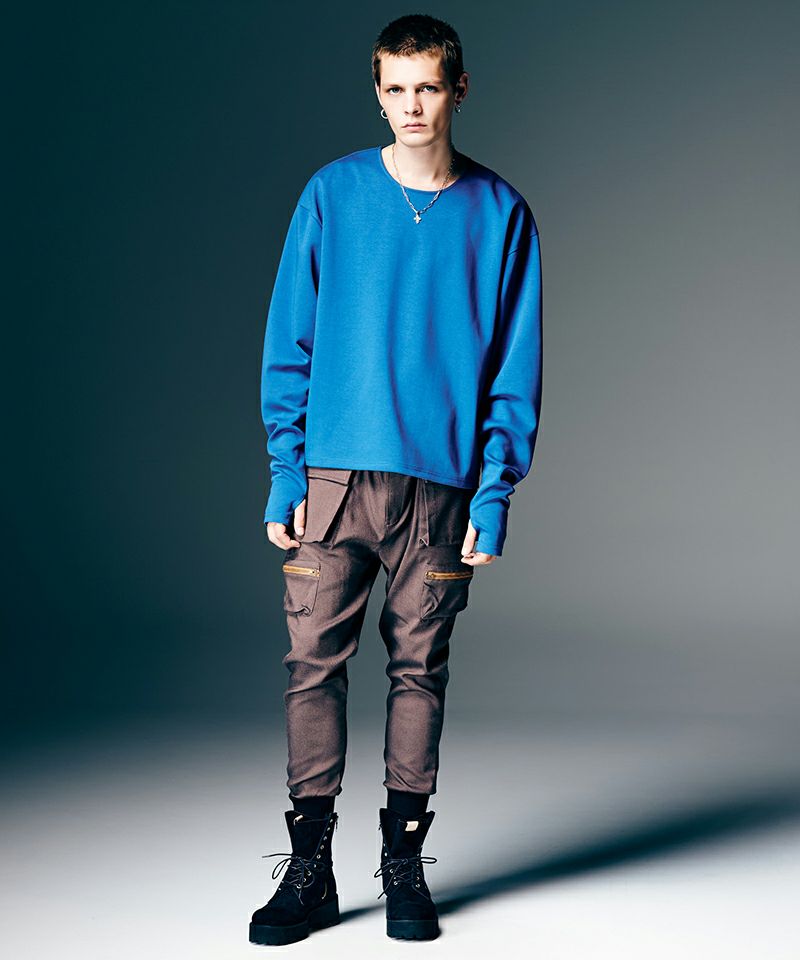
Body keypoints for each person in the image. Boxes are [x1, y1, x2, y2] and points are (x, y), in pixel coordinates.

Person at [249, 12, 543, 946]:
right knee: (312, 666)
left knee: (420, 670)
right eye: (395, 89)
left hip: (441, 487)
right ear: (378, 94)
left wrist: (493, 490)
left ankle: (404, 861)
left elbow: (515, 369)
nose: (412, 106)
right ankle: (310, 869)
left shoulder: (501, 214)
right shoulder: (332, 194)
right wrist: (285, 471)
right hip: (334, 480)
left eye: (428, 87)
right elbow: (289, 342)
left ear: (459, 89)